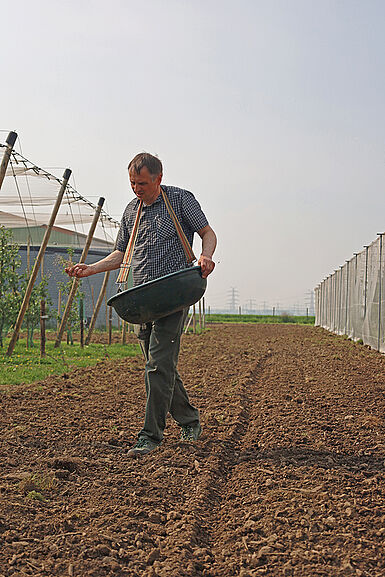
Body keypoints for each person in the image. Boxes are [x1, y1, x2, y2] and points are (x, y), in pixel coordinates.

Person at [65, 153, 217, 457]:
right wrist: (91, 269)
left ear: (158, 179)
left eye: (143, 183)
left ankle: (150, 437)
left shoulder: (180, 200)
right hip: (142, 297)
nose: (137, 188)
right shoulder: (131, 210)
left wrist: (206, 255)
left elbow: (207, 234)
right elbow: (121, 253)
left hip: (174, 294)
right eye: (133, 183)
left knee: (157, 366)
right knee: (160, 368)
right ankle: (190, 421)